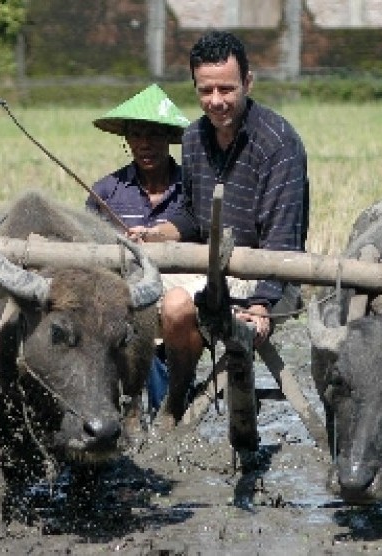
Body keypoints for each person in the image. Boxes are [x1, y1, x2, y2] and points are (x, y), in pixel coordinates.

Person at [128, 31, 310, 427]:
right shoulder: (194, 137)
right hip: (210, 266)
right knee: (122, 296)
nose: (216, 101)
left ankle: (176, 403)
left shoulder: (278, 144)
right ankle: (129, 410)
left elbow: (282, 242)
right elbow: (195, 217)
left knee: (176, 306)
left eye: (226, 89)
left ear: (248, 82)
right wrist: (158, 233)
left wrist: (261, 305)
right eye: (205, 90)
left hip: (269, 276)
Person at [86, 83, 191, 414]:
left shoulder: (192, 189)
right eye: (137, 135)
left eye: (155, 135)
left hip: (183, 295)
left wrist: (159, 237)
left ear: (169, 139)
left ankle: (168, 407)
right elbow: (87, 251)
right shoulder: (107, 192)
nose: (145, 144)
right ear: (127, 139)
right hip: (122, 293)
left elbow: (205, 234)